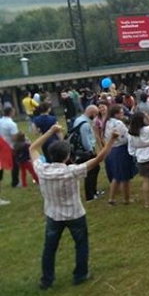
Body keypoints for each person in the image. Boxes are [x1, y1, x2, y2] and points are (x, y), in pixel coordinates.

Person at [32, 124, 118, 290]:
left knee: (49, 248)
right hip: (75, 214)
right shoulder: (72, 171)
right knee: (81, 244)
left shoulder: (42, 169)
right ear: (67, 156)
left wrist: (50, 132)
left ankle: (46, 280)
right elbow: (98, 159)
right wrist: (111, 140)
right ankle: (80, 274)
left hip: (53, 214)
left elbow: (33, 148)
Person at [127, 112, 149, 208]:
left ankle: (147, 202)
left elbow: (131, 149)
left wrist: (137, 155)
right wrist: (148, 117)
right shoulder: (147, 129)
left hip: (141, 158)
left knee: (146, 180)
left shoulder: (131, 133)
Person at [104, 105, 135, 204]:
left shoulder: (108, 122)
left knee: (116, 176)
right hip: (121, 149)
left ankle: (111, 198)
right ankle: (127, 198)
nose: (123, 114)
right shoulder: (118, 123)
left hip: (112, 149)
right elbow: (123, 138)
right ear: (116, 114)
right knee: (125, 177)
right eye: (121, 112)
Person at [73, 105, 102, 201]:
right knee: (91, 172)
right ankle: (90, 195)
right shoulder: (85, 124)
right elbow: (86, 141)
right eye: (95, 114)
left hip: (81, 151)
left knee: (94, 169)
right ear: (91, 113)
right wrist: (91, 151)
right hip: (86, 152)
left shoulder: (79, 119)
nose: (95, 116)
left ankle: (94, 191)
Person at [0, 107, 19, 203]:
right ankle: (15, 182)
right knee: (15, 165)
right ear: (11, 112)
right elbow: (15, 138)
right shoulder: (12, 124)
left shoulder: (1, 121)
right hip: (9, 146)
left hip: (1, 146)